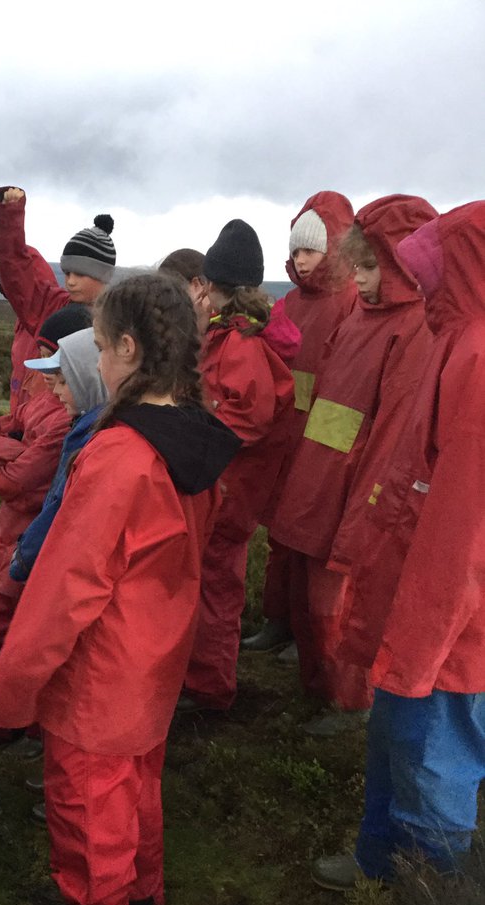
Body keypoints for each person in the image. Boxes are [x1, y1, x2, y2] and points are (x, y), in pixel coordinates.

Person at [0, 272, 240, 905]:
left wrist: (12, 687)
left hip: (104, 662)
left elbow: (68, 587)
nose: (94, 361)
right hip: (160, 648)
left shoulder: (119, 456)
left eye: (98, 345)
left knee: (85, 794)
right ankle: (140, 889)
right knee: (134, 780)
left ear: (129, 348)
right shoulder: (198, 439)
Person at [313, 200, 485, 888]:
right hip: (414, 602)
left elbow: (462, 535)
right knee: (393, 745)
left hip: (449, 633)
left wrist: (419, 646)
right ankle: (377, 865)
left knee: (432, 763)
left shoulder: (476, 359)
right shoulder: (454, 337)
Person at [270, 195, 438, 732]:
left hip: (352, 486)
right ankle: (317, 687)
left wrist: (364, 514)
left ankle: (351, 699)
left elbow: (392, 437)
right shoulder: (362, 316)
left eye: (370, 266)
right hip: (319, 475)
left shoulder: (413, 328)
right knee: (307, 593)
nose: (359, 278)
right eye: (358, 265)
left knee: (337, 599)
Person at [180, 220, 300, 713]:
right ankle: (202, 678)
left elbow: (245, 418)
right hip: (223, 488)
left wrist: (194, 442)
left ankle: (210, 689)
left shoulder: (242, 345)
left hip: (228, 493)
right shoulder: (229, 336)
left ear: (212, 286)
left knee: (216, 589)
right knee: (208, 586)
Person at [243, 191, 357, 655]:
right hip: (287, 435)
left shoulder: (352, 304)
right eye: (295, 251)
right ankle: (278, 620)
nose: (301, 259)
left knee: (316, 544)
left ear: (334, 250)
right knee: (281, 534)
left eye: (310, 249)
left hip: (328, 442)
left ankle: (309, 633)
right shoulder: (286, 304)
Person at [0, 306, 91, 750]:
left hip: (36, 542)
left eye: (53, 363)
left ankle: (28, 725)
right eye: (41, 359)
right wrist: (13, 452)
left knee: (31, 636)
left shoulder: (67, 416)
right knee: (0, 622)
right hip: (13, 537)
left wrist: (9, 464)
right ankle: (2, 718)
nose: (45, 375)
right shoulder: (41, 397)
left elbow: (17, 481)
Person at [0, 184, 115, 413]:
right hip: (37, 419)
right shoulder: (52, 305)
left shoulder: (119, 320)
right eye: (67, 273)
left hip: (82, 426)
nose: (71, 281)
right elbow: (16, 273)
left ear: (103, 276)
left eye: (80, 274)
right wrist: (9, 213)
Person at [8, 326, 108, 583]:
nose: (55, 391)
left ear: (87, 377)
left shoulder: (92, 439)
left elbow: (60, 509)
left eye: (65, 381)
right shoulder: (83, 428)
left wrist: (23, 557)